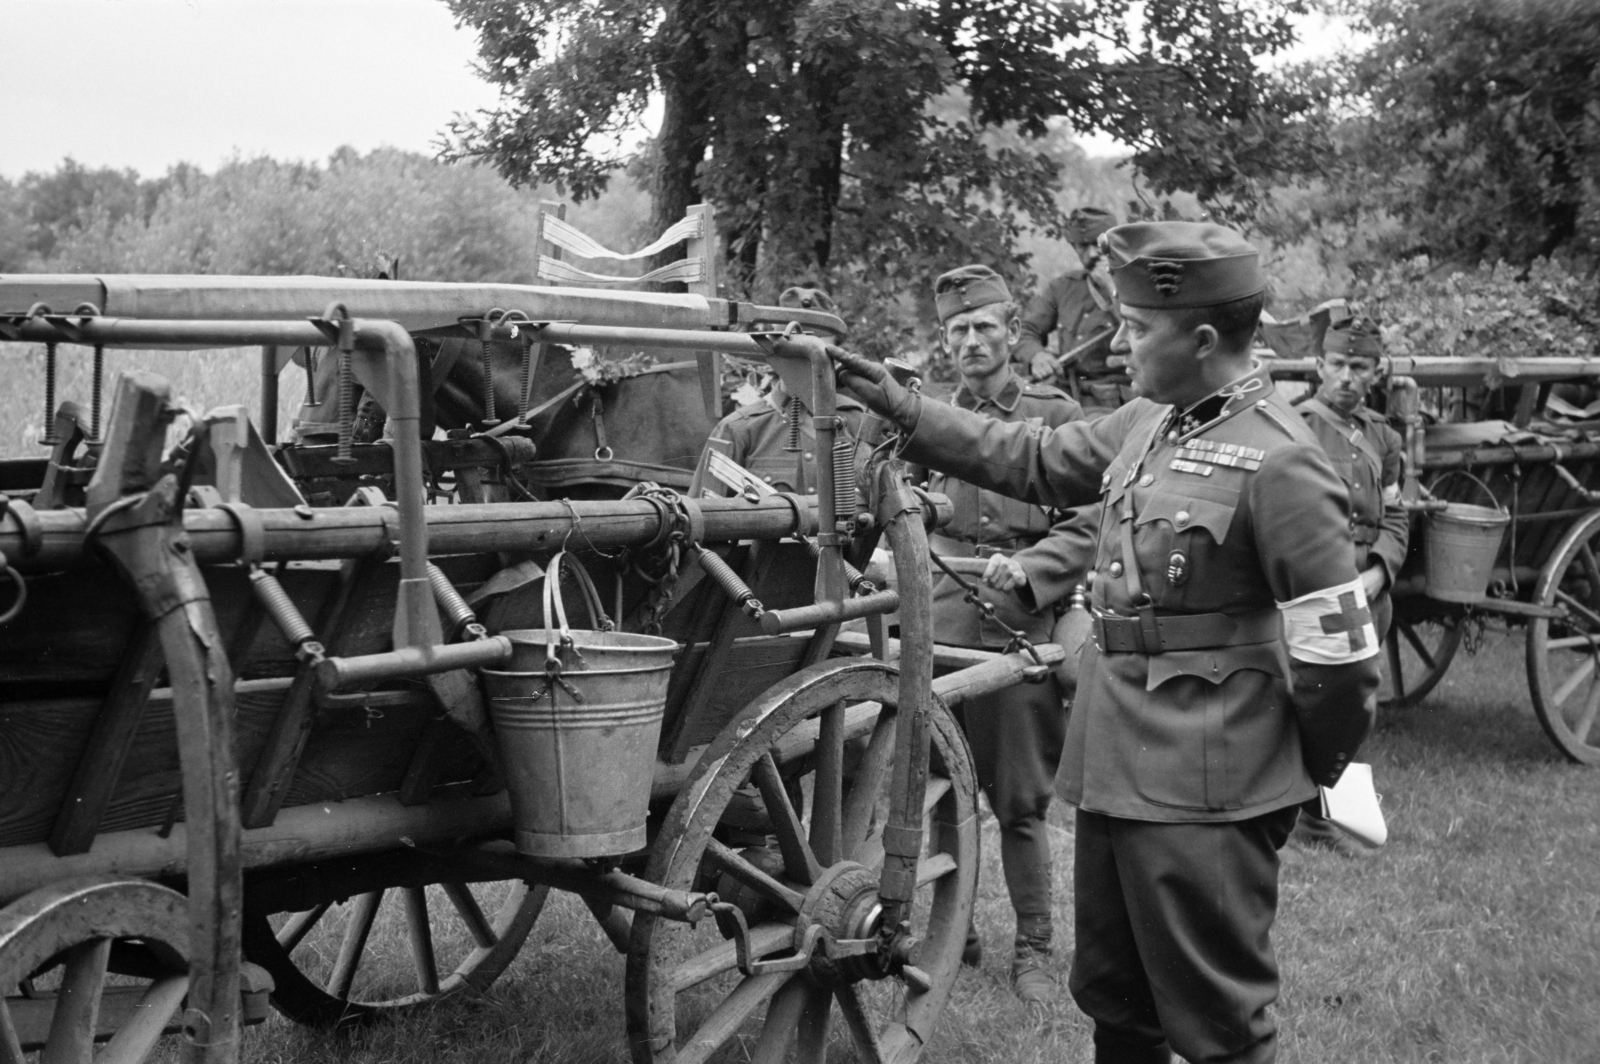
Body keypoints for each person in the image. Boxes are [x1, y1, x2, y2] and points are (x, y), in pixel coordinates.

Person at [816, 220, 1380, 1064]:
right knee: (1117, 1002)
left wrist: (1301, 774)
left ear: (1198, 338)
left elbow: (1339, 659)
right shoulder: (1151, 420)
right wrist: (901, 405)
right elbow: (1031, 455)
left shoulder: (1283, 461)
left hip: (1211, 781)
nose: (1118, 341)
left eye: (1136, 327)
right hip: (1115, 761)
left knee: (1219, 1021)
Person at [909, 264, 1083, 1003]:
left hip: (1020, 636)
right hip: (940, 633)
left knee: (1020, 803)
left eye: (984, 326)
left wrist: (1037, 568)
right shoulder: (925, 420)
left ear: (1014, 333)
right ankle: (959, 935)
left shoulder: (1053, 415)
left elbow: (1090, 518)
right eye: (958, 330)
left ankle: (1035, 951)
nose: (971, 341)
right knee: (944, 793)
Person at [1292, 314, 1408, 853]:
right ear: (1319, 366)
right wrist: (1334, 581)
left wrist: (1378, 572)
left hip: (1369, 593)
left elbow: (1398, 516)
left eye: (1358, 367)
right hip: (1316, 588)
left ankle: (1334, 817)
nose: (1345, 376)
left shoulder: (1383, 437)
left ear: (1375, 372)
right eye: (1336, 364)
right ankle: (1303, 821)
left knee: (1357, 707)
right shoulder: (1294, 427)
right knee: (1310, 702)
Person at [690, 286, 866, 497]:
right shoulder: (740, 430)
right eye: (800, 354)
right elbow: (701, 517)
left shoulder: (859, 424)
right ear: (776, 355)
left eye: (822, 355)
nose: (812, 366)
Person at [1013, 206, 1122, 403]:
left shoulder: (1138, 287)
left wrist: (1111, 287)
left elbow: (1147, 330)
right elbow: (1026, 330)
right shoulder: (1062, 288)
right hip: (1069, 398)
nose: (1091, 254)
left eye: (1097, 245)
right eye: (1082, 246)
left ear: (1112, 244)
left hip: (1120, 402)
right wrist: (1037, 356)